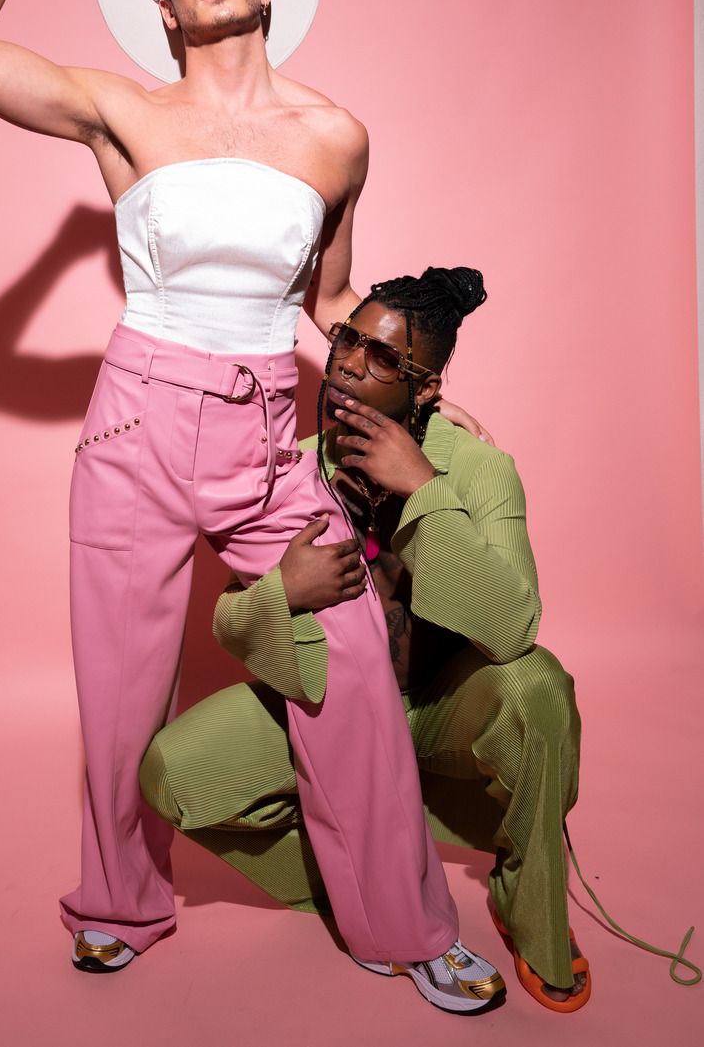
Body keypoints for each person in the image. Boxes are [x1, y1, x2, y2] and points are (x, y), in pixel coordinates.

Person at [0, 0, 501, 1010]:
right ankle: (121, 902)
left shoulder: (335, 135)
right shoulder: (121, 110)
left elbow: (329, 300)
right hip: (134, 423)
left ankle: (402, 924)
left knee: (351, 663)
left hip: (267, 439)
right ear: (166, 8)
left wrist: (417, 385)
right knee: (121, 689)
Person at [141, 266, 589, 1012]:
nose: (348, 362)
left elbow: (513, 627)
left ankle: (528, 904)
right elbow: (229, 620)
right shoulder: (295, 466)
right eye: (347, 340)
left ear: (426, 387)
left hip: (437, 711)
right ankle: (358, 885)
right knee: (170, 774)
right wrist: (285, 592)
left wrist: (424, 489)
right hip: (331, 716)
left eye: (381, 357)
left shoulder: (480, 469)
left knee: (537, 685)